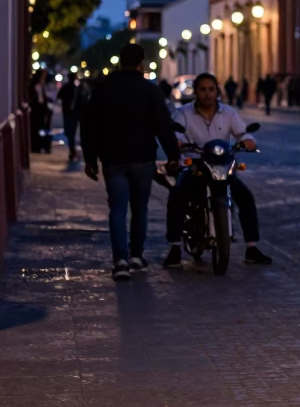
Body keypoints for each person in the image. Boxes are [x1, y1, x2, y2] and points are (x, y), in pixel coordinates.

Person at [80, 43, 180, 281]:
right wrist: (173, 154)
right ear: (141, 64)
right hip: (143, 158)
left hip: (113, 158)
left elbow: (89, 125)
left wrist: (90, 159)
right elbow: (163, 126)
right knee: (140, 208)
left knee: (117, 209)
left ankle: (120, 261)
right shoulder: (151, 90)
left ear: (119, 62)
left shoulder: (103, 89)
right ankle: (137, 256)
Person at [162, 72, 273, 267]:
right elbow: (174, 135)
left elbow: (243, 133)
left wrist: (247, 142)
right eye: (203, 90)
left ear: (217, 91)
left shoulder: (229, 113)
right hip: (195, 166)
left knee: (245, 197)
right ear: (195, 92)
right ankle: (174, 247)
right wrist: (178, 145)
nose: (207, 94)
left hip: (222, 165)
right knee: (177, 195)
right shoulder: (184, 113)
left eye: (211, 89)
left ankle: (252, 247)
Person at [57, 74, 83, 161]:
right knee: (73, 132)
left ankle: (72, 150)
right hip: (75, 114)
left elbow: (59, 97)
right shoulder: (77, 89)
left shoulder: (65, 88)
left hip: (67, 113)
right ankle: (73, 150)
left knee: (69, 133)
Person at [28, 68, 52, 154]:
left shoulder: (42, 86)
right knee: (36, 129)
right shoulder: (34, 86)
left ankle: (45, 146)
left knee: (44, 129)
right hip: (36, 109)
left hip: (42, 109)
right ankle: (37, 146)